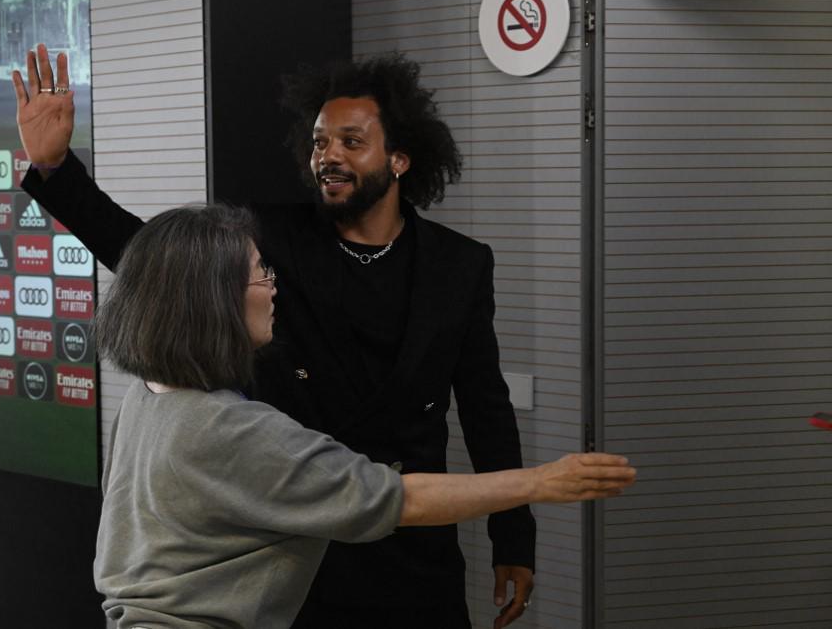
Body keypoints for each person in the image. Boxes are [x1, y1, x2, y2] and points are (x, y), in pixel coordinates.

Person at [13, 44, 532, 628]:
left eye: (350, 143)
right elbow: (152, 259)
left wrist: (514, 537)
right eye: (318, 142)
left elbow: (486, 405)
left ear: (400, 160)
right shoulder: (271, 237)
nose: (327, 157)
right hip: (292, 554)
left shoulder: (459, 264)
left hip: (411, 550)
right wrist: (58, 171)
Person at [91, 202, 636, 629]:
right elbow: (400, 498)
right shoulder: (232, 430)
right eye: (262, 277)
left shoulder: (147, 396)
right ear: (215, 298)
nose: (274, 291)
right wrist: (541, 482)